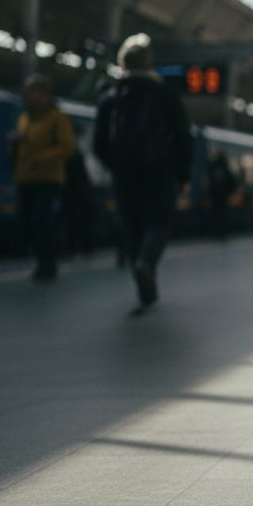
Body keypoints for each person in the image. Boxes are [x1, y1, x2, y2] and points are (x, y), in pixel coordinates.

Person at [94, 33, 192, 310]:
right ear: (150, 64)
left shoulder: (110, 96)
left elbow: (99, 143)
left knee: (132, 225)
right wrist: (182, 173)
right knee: (159, 222)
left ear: (122, 65)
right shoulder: (165, 94)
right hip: (161, 172)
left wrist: (116, 167)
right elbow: (184, 136)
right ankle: (146, 263)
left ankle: (141, 278)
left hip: (125, 173)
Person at [12, 75, 75, 282]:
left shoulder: (57, 117)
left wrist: (41, 158)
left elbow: (67, 146)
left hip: (49, 177)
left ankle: (47, 263)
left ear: (45, 94)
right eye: (28, 92)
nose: (30, 96)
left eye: (35, 92)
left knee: (41, 219)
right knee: (27, 221)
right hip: (25, 177)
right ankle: (41, 259)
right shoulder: (23, 118)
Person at [206, 148, 237, 240]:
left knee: (216, 215)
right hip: (222, 196)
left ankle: (216, 233)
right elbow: (232, 182)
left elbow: (209, 181)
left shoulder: (213, 166)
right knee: (223, 215)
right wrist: (230, 191)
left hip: (215, 196)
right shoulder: (225, 166)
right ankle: (222, 233)